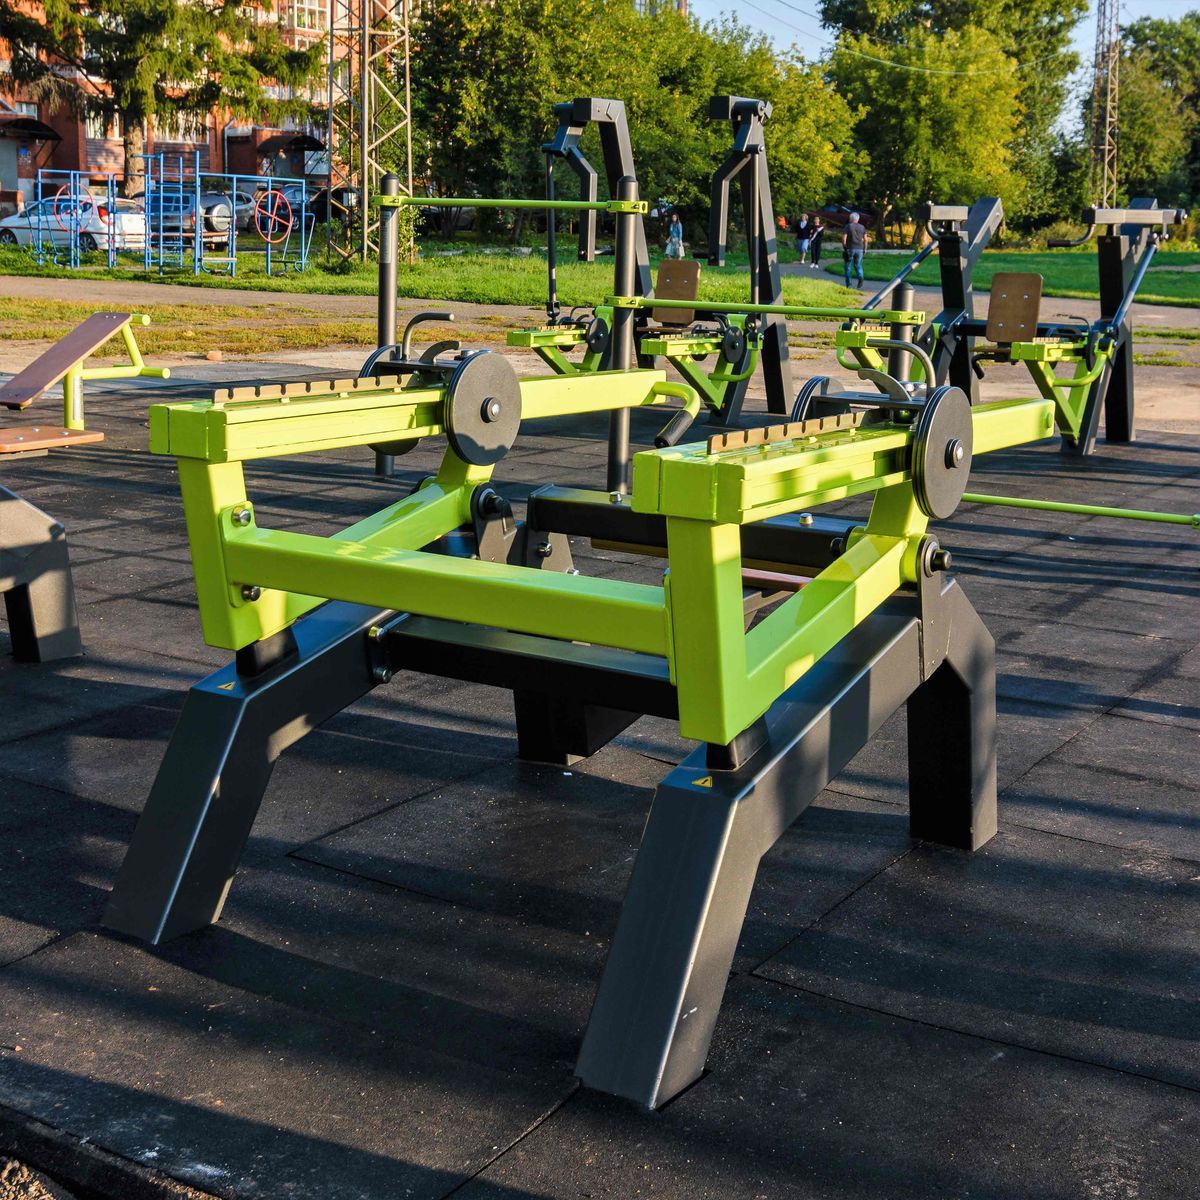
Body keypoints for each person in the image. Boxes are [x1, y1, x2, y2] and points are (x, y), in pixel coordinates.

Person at [842, 211, 867, 287]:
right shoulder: (862, 227)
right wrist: (865, 249)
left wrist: (845, 248)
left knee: (848, 266)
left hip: (850, 248)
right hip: (860, 249)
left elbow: (844, 239)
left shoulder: (848, 226)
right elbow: (866, 239)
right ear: (858, 219)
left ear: (850, 218)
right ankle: (860, 277)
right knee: (858, 265)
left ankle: (849, 284)